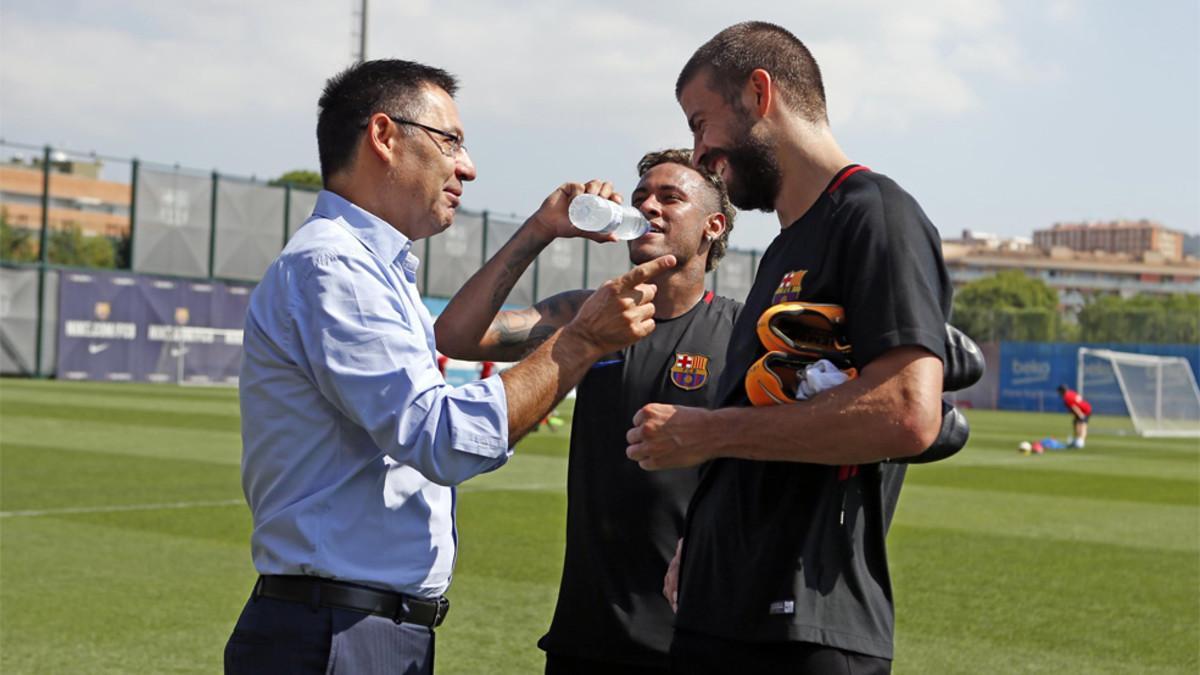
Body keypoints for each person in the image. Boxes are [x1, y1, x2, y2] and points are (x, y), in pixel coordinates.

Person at [224, 59, 675, 675]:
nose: (468, 166)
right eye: (451, 141)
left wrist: (543, 227)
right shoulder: (337, 268)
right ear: (384, 137)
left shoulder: (372, 266)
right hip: (336, 632)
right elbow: (440, 438)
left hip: (354, 624)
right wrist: (581, 340)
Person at [625, 23, 954, 673]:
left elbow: (908, 413)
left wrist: (709, 431)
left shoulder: (874, 212)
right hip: (724, 612)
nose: (698, 153)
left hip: (803, 628)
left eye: (701, 124)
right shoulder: (782, 247)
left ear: (758, 93)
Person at [434, 148, 740, 674]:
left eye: (671, 198)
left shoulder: (741, 333)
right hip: (586, 638)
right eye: (641, 196)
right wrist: (541, 227)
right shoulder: (588, 315)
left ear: (713, 225)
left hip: (697, 638)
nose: (650, 207)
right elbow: (454, 335)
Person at [1057, 383, 1091, 448]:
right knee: (1076, 423)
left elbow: (1074, 407)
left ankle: (1081, 442)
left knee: (1082, 425)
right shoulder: (1070, 393)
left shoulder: (1066, 397)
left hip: (1084, 410)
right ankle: (1077, 439)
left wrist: (1080, 415)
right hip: (1084, 408)